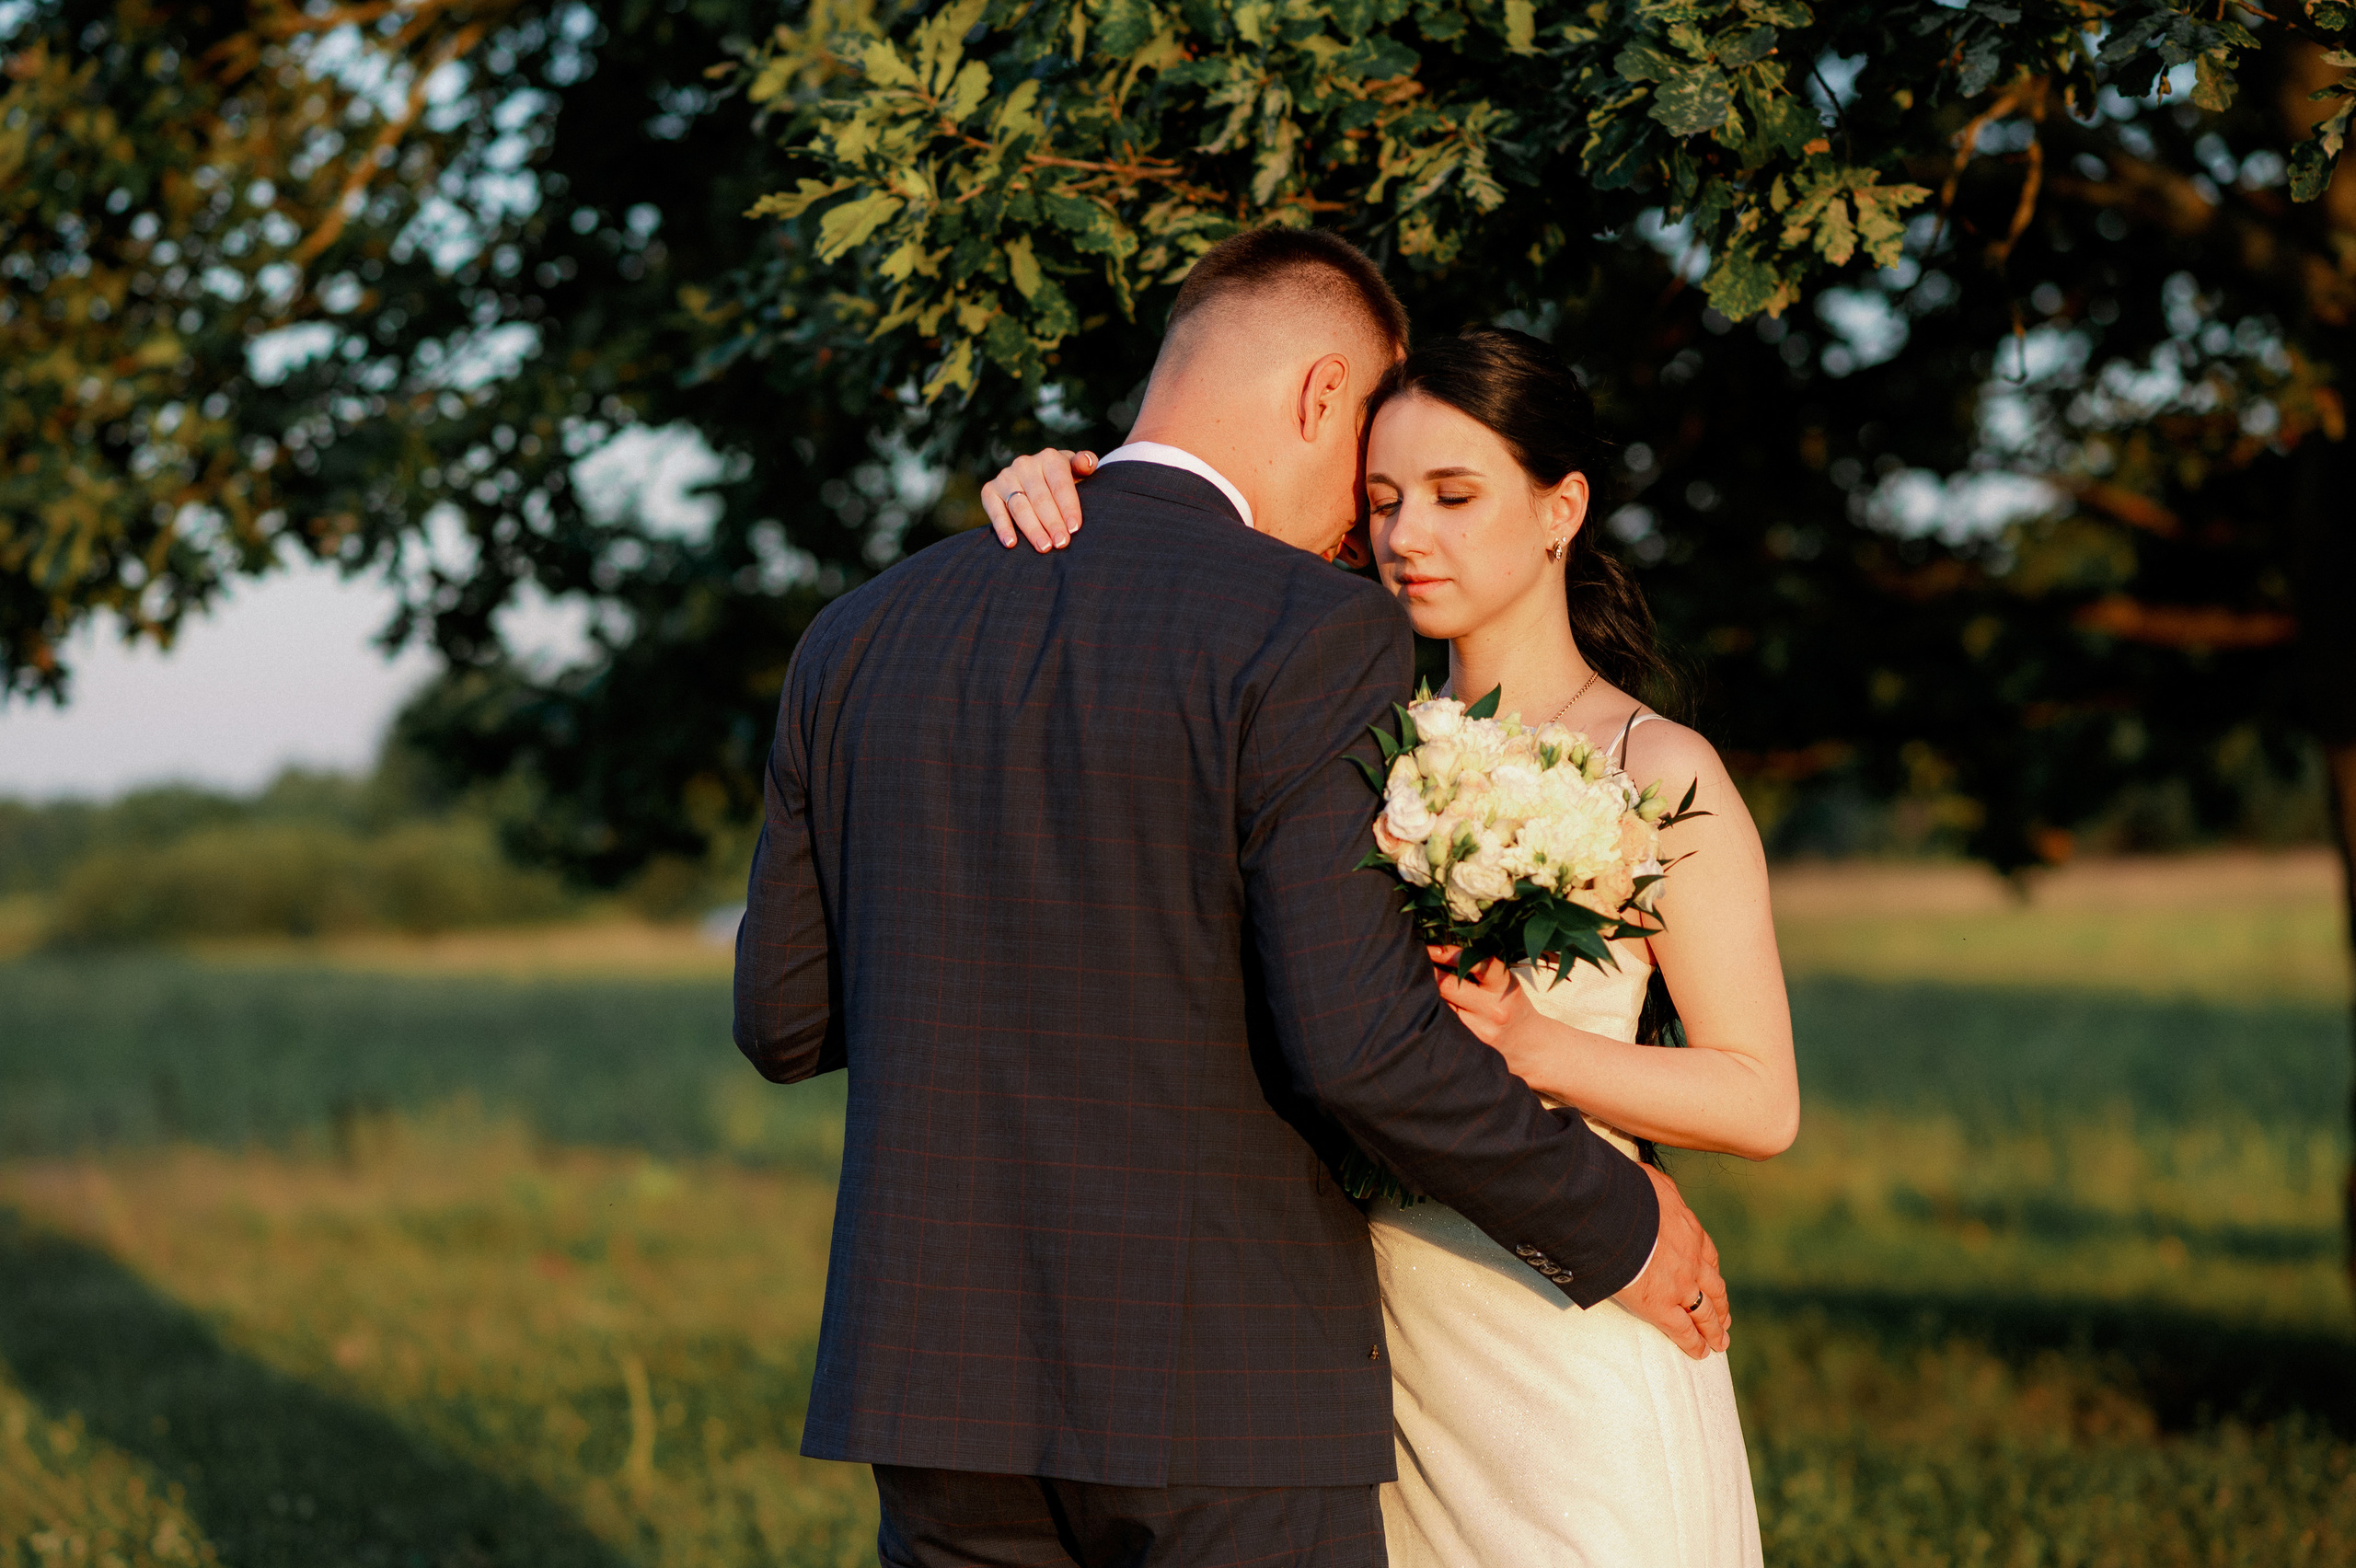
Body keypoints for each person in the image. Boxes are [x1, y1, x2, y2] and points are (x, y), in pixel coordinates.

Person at [733, 229, 1730, 1568]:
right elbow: (1354, 1043)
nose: (1362, 533)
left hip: (937, 1384)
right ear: (1323, 397)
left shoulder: (856, 634)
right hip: (1223, 1393)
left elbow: (782, 1021)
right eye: (1366, 469)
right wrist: (1614, 1224)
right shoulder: (1310, 632)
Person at [982, 323, 1796, 1564]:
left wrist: (1531, 1046)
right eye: (1383, 500)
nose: (1410, 534)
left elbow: (1760, 1099)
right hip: (1370, 1337)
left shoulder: (1657, 765)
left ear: (1560, 506)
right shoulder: (1353, 739)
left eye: (1456, 496)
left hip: (1568, 1316)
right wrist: (1063, 488)